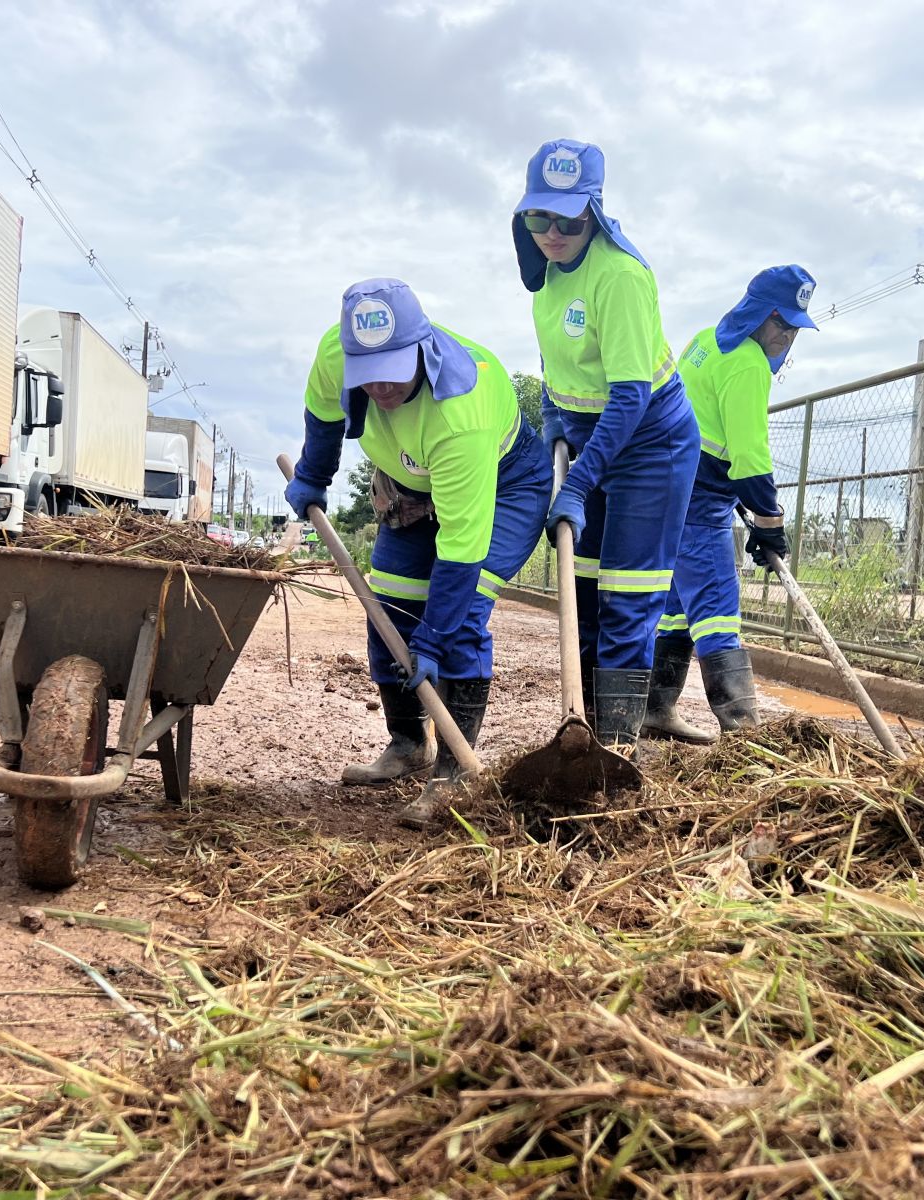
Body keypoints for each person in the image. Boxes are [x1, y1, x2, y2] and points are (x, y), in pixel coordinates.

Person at [285, 279, 552, 826]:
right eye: (367, 372)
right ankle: (409, 744)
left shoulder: (460, 413)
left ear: (420, 350)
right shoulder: (338, 352)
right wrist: (313, 475)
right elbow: (324, 415)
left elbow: (461, 549)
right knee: (389, 609)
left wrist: (435, 637)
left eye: (392, 368)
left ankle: (454, 771)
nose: (378, 385)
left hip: (504, 481)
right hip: (412, 482)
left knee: (462, 613)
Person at [512, 139, 699, 747]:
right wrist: (554, 421)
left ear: (594, 207)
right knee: (586, 585)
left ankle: (616, 748)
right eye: (540, 217)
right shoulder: (544, 278)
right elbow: (554, 368)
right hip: (590, 433)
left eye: (569, 217)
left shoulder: (618, 275)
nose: (554, 231)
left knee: (627, 592)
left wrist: (581, 483)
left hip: (649, 439)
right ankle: (583, 731)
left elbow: (628, 397)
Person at [644, 266, 819, 740]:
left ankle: (654, 710)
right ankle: (744, 735)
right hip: (698, 503)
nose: (787, 338)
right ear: (760, 315)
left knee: (677, 609)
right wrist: (769, 521)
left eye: (795, 329)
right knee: (718, 607)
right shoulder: (748, 364)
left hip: (672, 487)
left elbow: (696, 420)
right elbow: (748, 456)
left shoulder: (705, 340)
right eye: (782, 325)